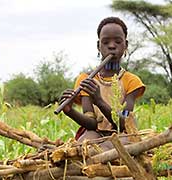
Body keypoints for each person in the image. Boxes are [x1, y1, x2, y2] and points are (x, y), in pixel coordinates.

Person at [59, 17, 145, 150]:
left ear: (125, 45)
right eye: (105, 42)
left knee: (119, 146)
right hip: (96, 134)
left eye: (117, 41)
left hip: (123, 135)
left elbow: (123, 122)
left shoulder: (132, 81)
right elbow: (91, 124)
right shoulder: (86, 79)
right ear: (98, 46)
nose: (111, 46)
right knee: (84, 146)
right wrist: (69, 111)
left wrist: (99, 100)